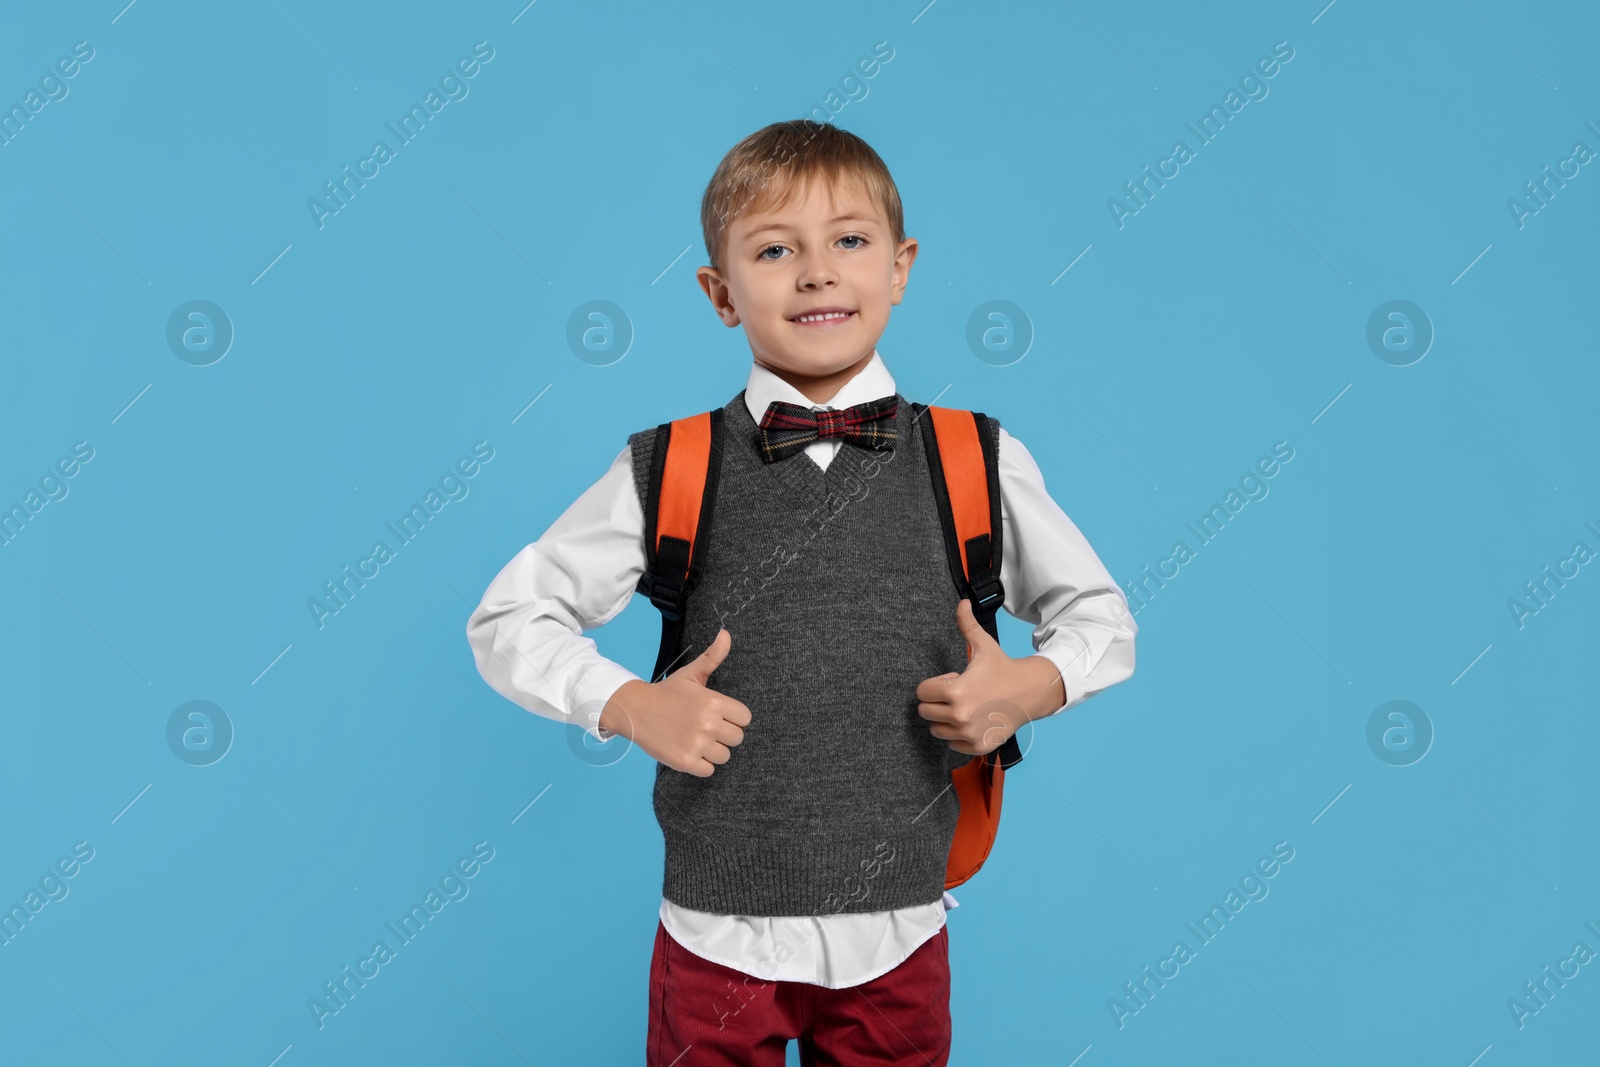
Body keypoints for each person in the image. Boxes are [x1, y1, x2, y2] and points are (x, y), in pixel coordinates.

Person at [466, 118, 1138, 1066]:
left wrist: (1032, 686)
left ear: (900, 267)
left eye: (850, 241)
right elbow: (508, 618)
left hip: (902, 925)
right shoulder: (672, 467)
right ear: (720, 292)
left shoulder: (971, 458)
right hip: (713, 933)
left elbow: (1103, 620)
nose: (817, 272)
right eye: (775, 249)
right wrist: (624, 703)